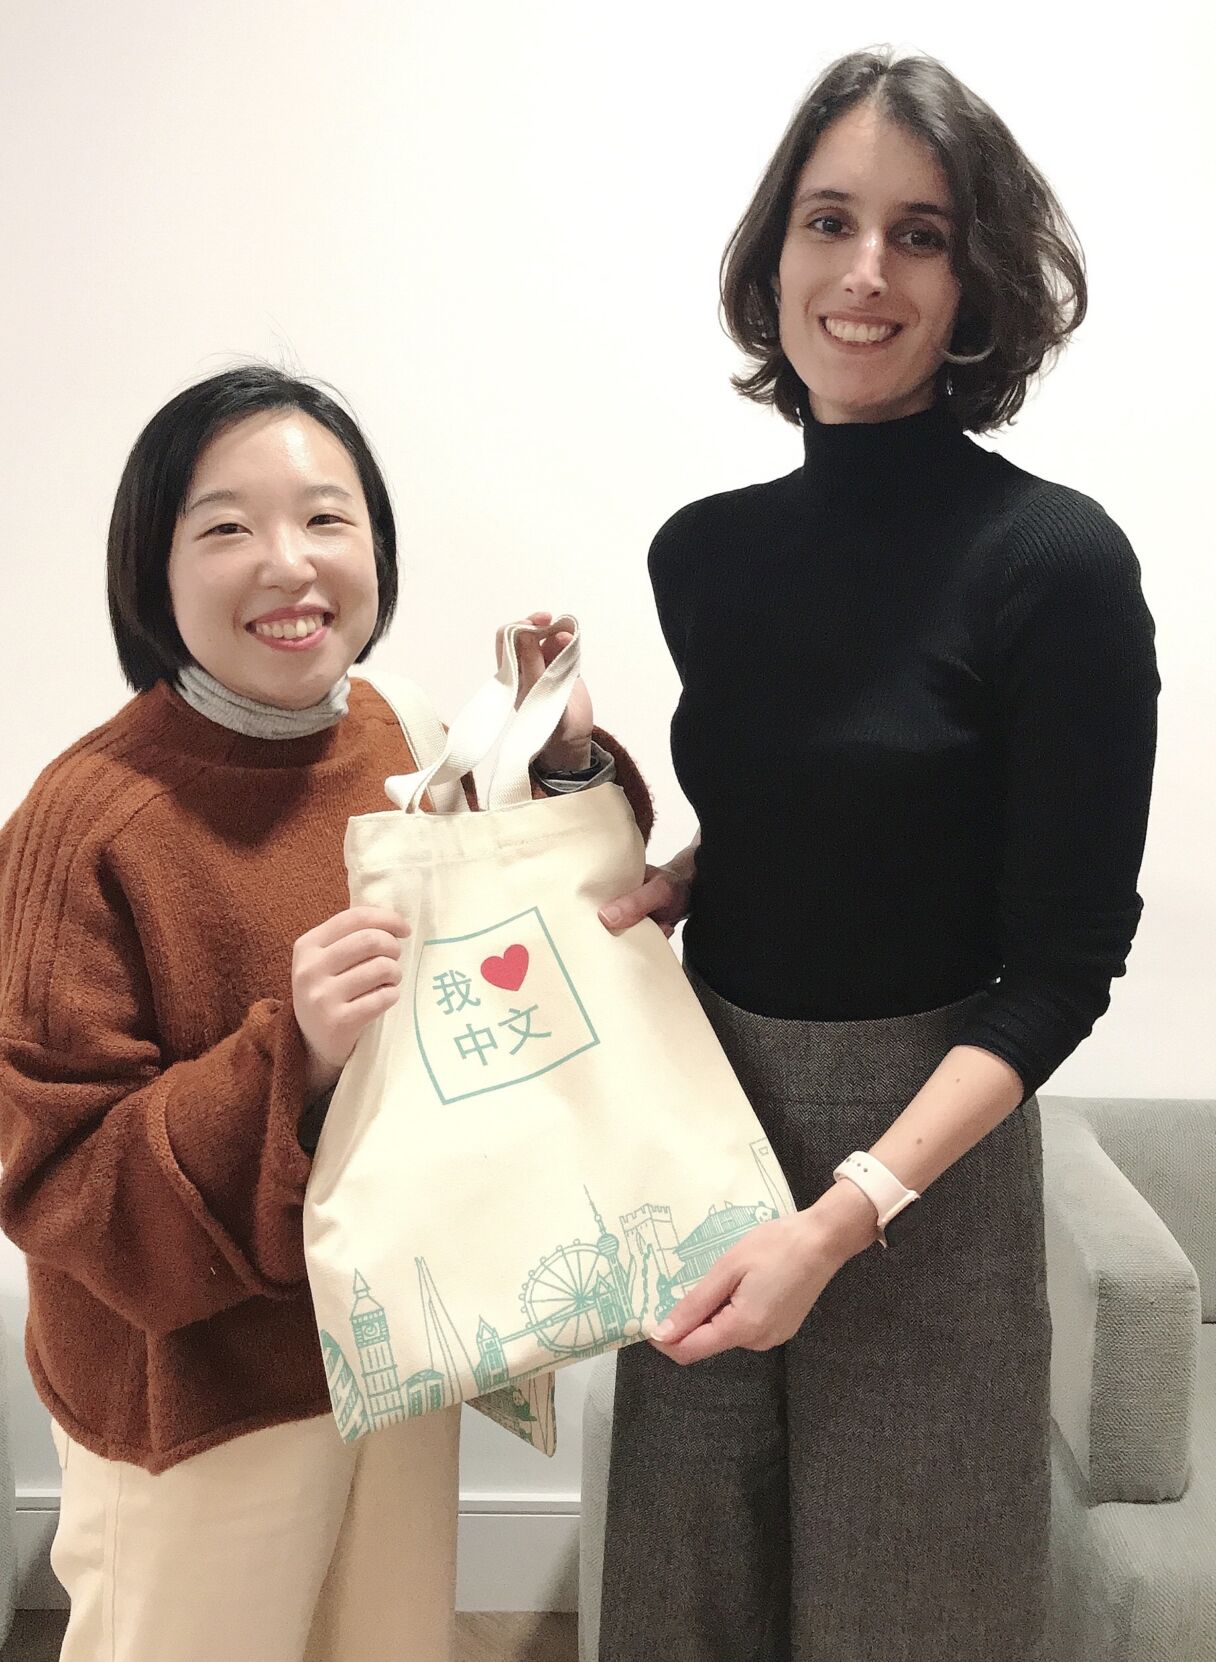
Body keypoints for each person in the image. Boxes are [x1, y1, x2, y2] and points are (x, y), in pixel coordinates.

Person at [596, 46, 1158, 1662]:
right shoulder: (701, 554)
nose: (864, 272)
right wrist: (689, 869)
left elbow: (1062, 963)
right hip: (708, 1129)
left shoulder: (1052, 562)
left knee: (910, 1611)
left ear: (979, 278)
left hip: (927, 1161)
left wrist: (843, 1213)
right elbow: (825, 783)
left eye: (920, 232)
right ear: (771, 253)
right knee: (685, 1602)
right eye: (828, 220)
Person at [0, 365, 652, 1662]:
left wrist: (560, 755)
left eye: (326, 517)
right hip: (201, 1403)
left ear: (376, 546)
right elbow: (58, 1180)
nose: (287, 563)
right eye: (227, 526)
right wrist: (284, 1051)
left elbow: (570, 937)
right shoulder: (86, 822)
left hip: (397, 1349)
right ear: (154, 567)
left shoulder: (405, 734)